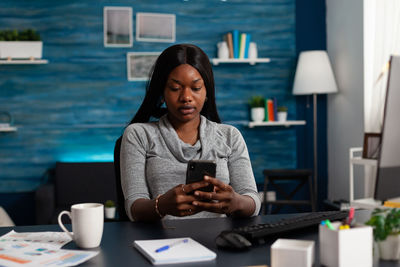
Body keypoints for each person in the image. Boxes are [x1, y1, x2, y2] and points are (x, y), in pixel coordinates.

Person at [120, 44, 261, 222]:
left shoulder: (230, 136)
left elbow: (253, 201)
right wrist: (162, 205)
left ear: (207, 92)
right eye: (175, 88)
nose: (186, 97)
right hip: (160, 243)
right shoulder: (139, 134)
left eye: (195, 88)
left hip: (219, 241)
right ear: (162, 93)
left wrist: (237, 202)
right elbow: (133, 207)